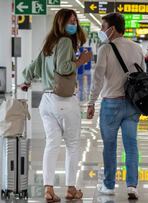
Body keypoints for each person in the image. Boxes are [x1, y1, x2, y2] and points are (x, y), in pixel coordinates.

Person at [20, 9, 91, 202]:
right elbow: (64, 68)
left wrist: (26, 81)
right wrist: (80, 61)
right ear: (61, 23)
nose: (74, 24)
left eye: (75, 20)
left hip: (47, 101)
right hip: (64, 100)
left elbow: (32, 68)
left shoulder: (49, 43)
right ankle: (71, 188)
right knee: (73, 145)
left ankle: (48, 189)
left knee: (51, 144)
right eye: (70, 21)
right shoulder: (66, 41)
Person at [86, 13, 143, 200]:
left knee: (109, 146)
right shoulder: (137, 47)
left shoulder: (106, 49)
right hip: (133, 103)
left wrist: (91, 102)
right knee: (131, 145)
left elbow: (98, 78)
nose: (102, 31)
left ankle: (109, 185)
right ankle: (132, 186)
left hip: (111, 103)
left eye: (103, 27)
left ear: (112, 28)